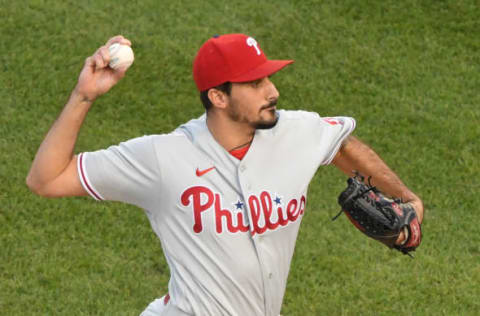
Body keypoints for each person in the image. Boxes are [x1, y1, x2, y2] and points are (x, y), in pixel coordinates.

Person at [27, 34, 424, 316]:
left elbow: (342, 144)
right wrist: (84, 96)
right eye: (255, 83)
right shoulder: (164, 159)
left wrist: (407, 200)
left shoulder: (295, 131)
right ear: (218, 97)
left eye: (268, 77)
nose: (272, 91)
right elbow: (47, 179)